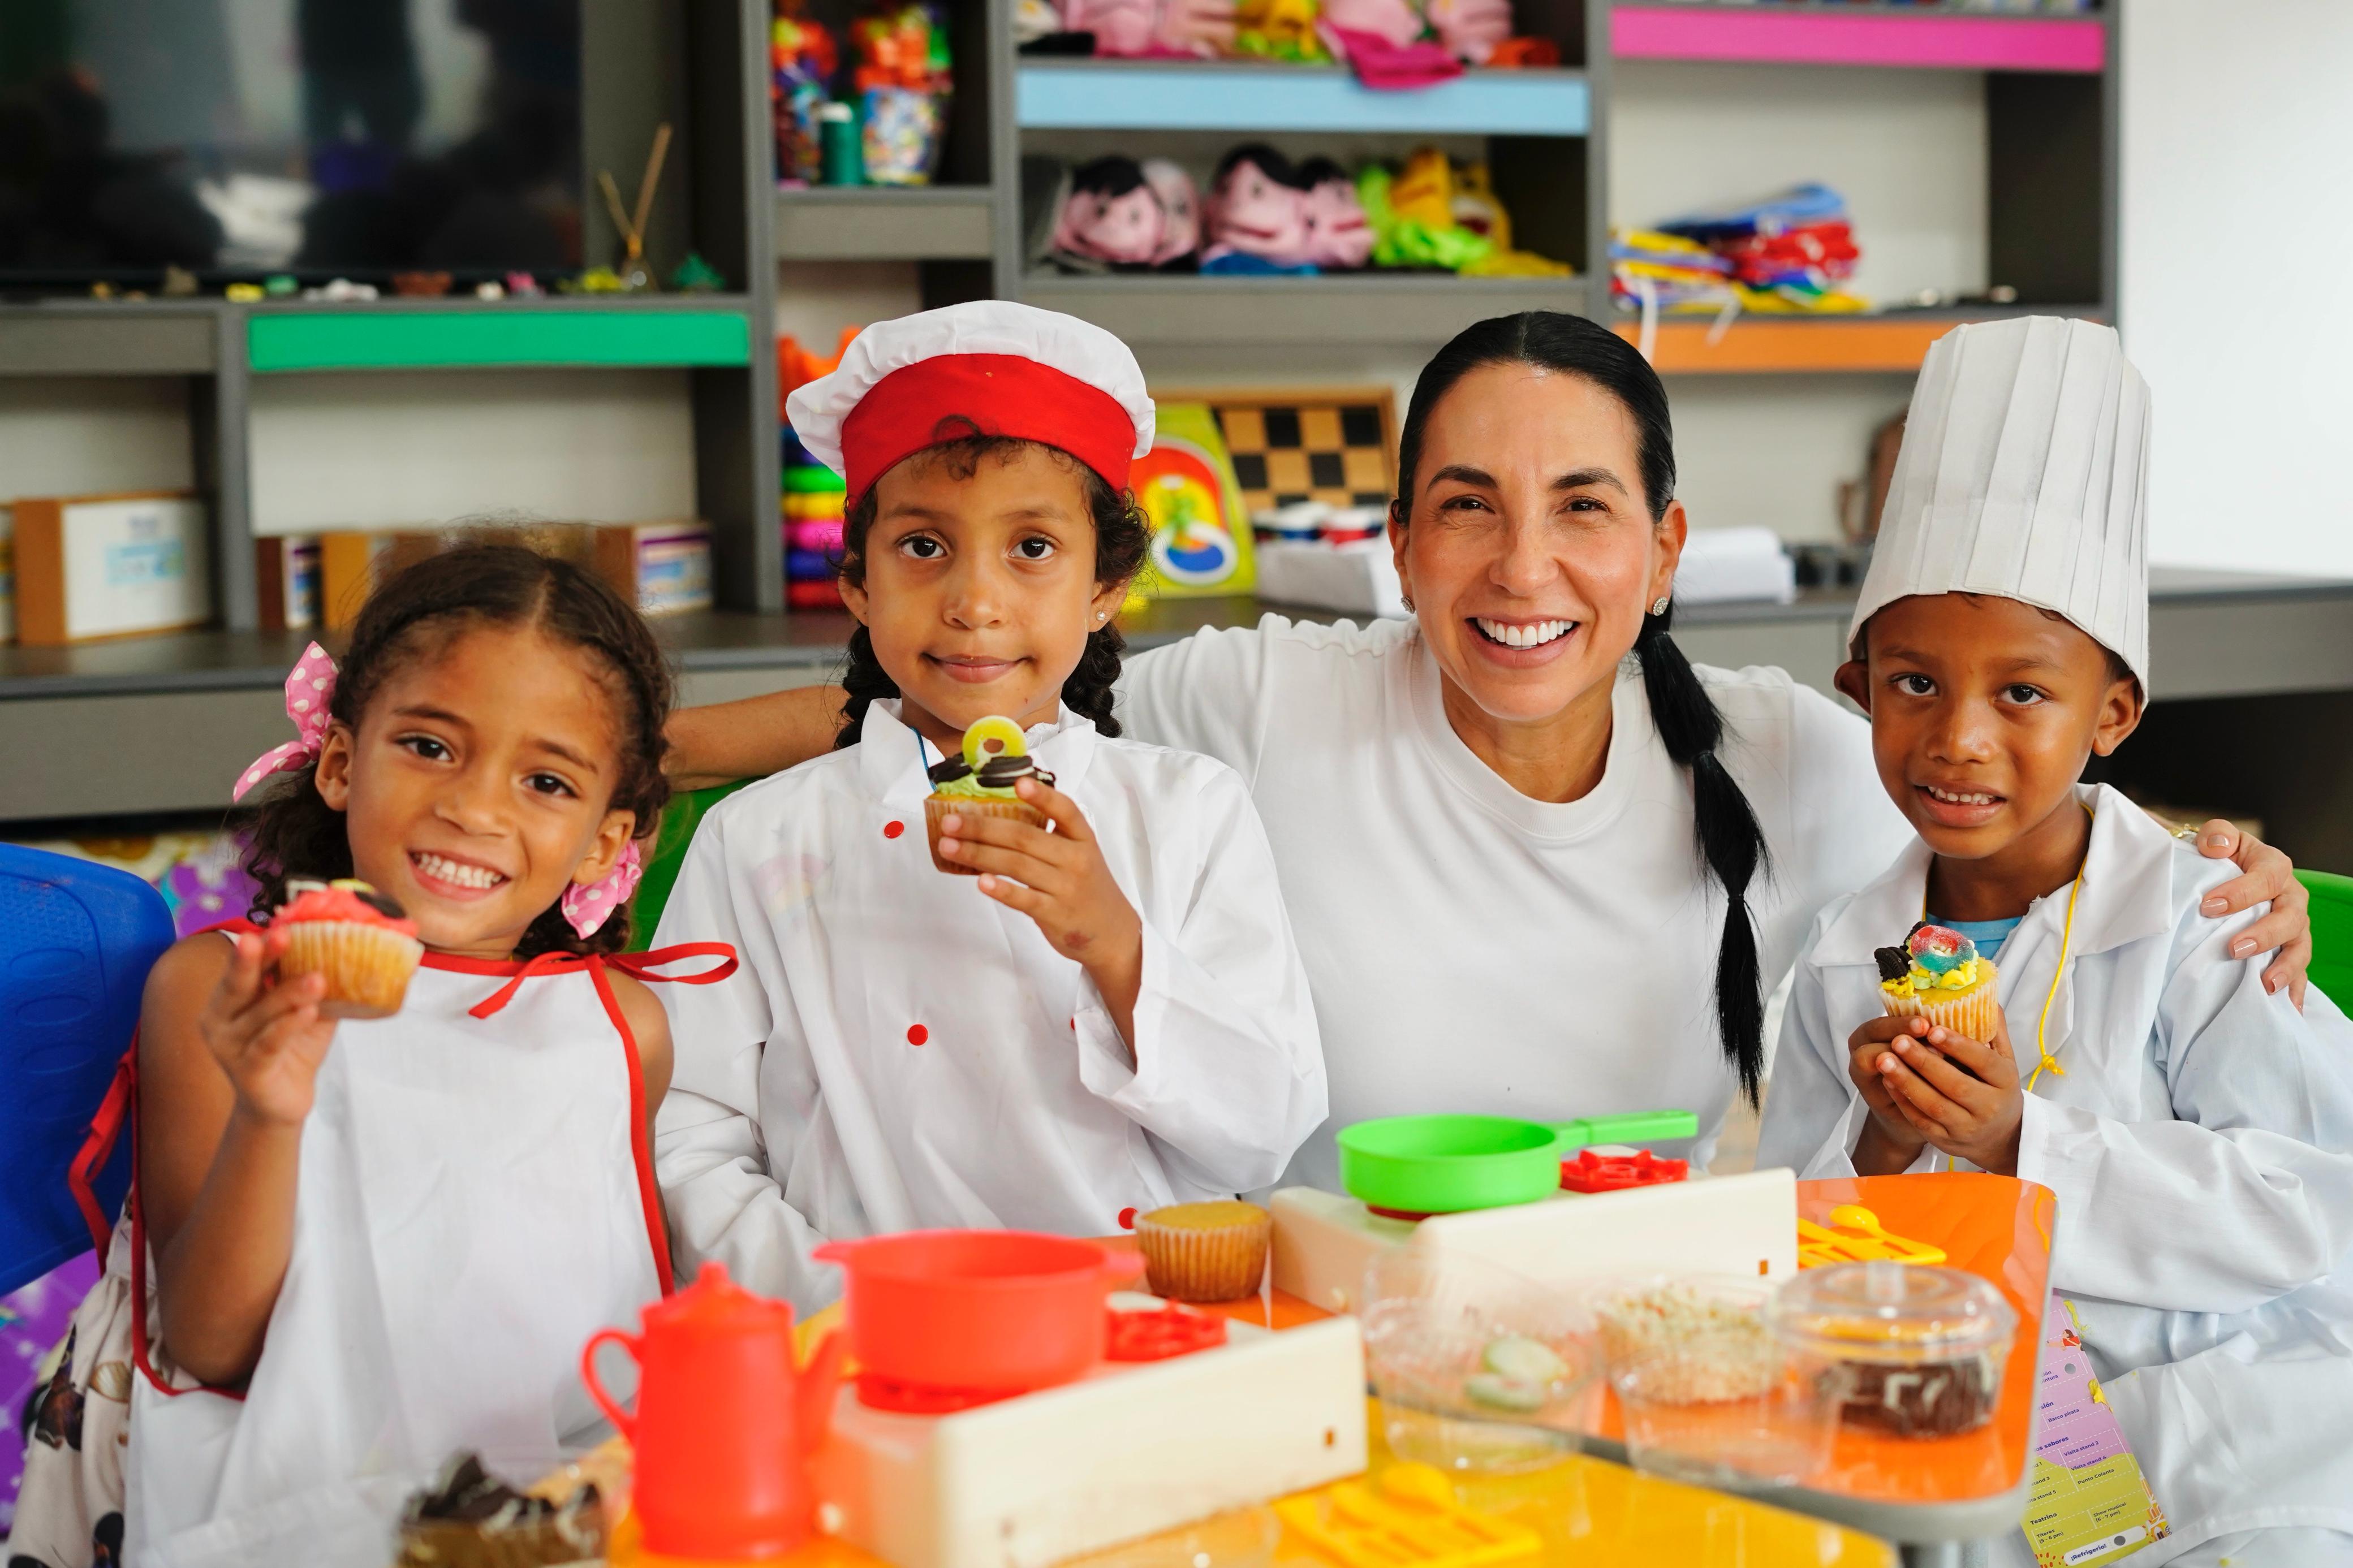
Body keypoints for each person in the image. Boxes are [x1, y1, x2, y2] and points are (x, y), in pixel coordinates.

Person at [663, 312, 2312, 1185]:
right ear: (1399, 545)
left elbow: (1994, 783)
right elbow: (971, 697)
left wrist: (2212, 854)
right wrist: (629, 757)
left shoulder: (1789, 749)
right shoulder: (1270, 697)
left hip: (1659, 1344)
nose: (1525, 573)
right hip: (1325, 1349)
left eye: (1582, 511)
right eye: (1470, 510)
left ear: (1665, 550)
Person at [1757, 318, 2353, 1565]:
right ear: (1859, 688)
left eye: (2020, 692)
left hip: (2241, 1443)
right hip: (1978, 1456)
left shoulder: (2208, 920)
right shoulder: (1837, 958)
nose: (1957, 738)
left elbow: (2308, 1208)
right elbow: (1791, 1253)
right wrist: (1881, 1141)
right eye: (1914, 683)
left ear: (2112, 713)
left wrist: (2019, 1140)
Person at [12, 545, 732, 1568]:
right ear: (343, 762)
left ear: (606, 843)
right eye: (432, 747)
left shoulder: (627, 1026)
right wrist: (272, 1108)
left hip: (557, 1533)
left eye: (545, 779)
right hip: (284, 1521)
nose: (475, 807)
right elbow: (213, 1346)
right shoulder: (224, 987)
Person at [651, 303, 1328, 1311]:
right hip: (858, 1343)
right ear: (857, 583)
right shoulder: (758, 835)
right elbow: (690, 1132)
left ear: (1105, 586)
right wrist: (838, 1301)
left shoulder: (1188, 810)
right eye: (924, 547)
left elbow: (1264, 1131)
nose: (975, 601)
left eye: (1033, 549)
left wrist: (1114, 941)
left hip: (1133, 1335)